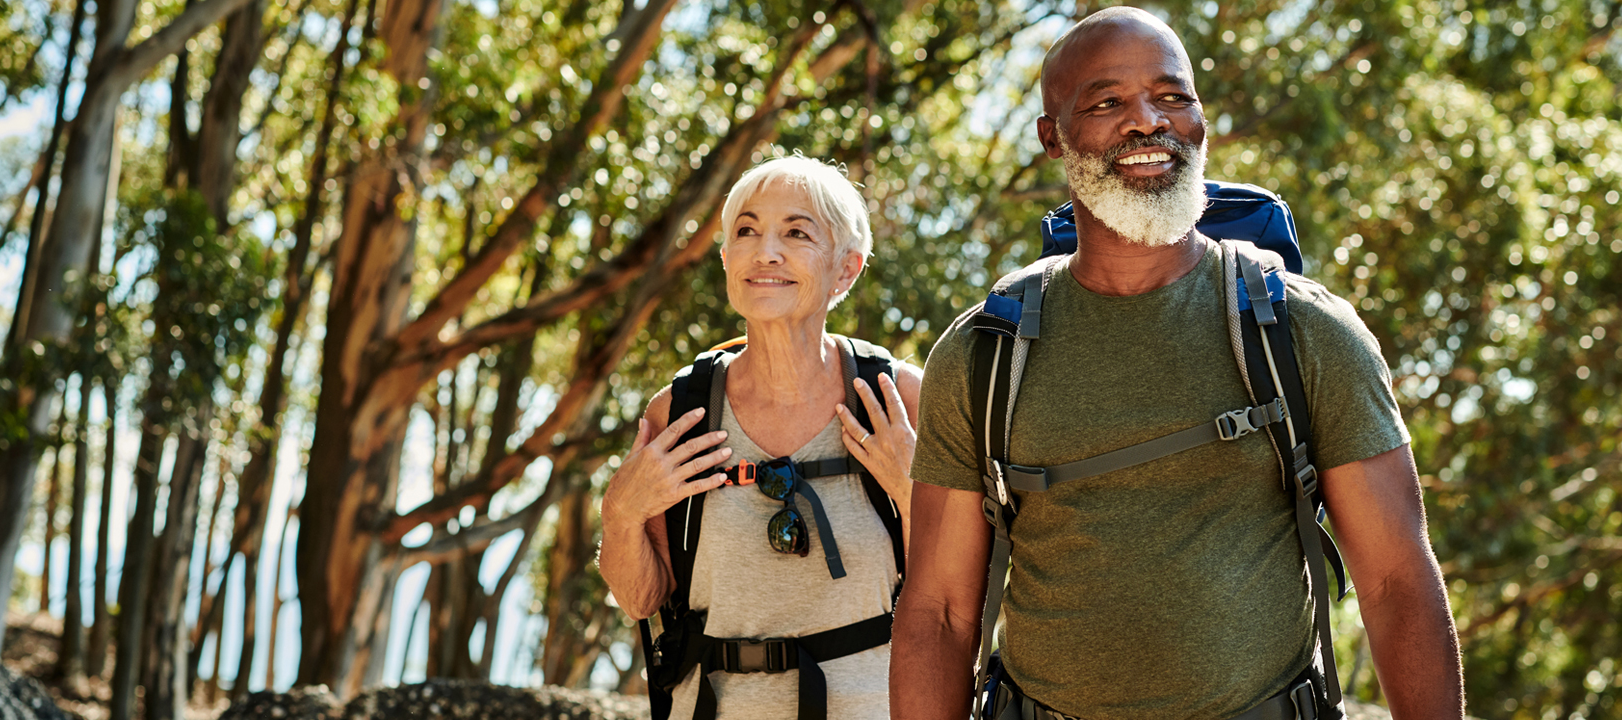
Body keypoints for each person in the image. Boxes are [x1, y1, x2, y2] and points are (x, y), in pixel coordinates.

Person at [890, 8, 1465, 720]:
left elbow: (1397, 583)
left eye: (1171, 97)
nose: (1146, 122)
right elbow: (940, 612)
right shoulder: (984, 353)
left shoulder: (1305, 329)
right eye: (1106, 103)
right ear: (1052, 136)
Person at [598, 155, 923, 720]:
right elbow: (640, 599)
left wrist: (913, 489)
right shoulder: (682, 409)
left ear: (846, 269)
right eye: (746, 231)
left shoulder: (898, 399)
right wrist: (620, 514)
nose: (764, 251)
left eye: (796, 233)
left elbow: (954, 592)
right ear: (726, 260)